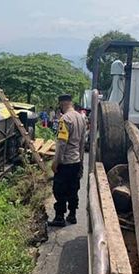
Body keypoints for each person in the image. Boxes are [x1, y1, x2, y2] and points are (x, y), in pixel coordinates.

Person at [48, 94, 87, 227]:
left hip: (65, 162)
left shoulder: (64, 119)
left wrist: (56, 162)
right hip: (76, 161)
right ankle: (72, 215)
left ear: (62, 104)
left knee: (59, 189)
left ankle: (59, 217)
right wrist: (81, 162)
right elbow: (82, 143)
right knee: (73, 189)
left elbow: (61, 143)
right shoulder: (81, 118)